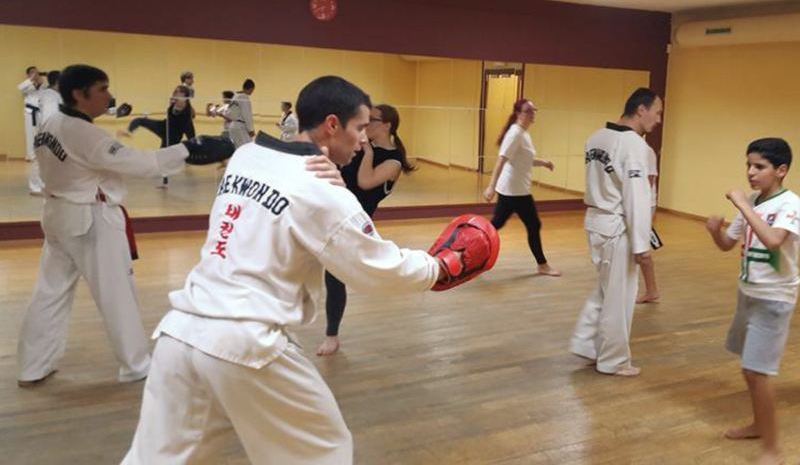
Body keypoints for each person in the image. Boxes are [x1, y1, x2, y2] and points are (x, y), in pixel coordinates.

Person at [121, 76, 496, 465]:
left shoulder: (246, 156)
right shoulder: (325, 194)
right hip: (248, 343)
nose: (363, 140)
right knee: (323, 453)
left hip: (179, 333)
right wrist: (438, 267)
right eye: (358, 129)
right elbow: (377, 269)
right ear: (332, 125)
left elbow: (290, 181)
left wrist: (337, 188)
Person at [17, 65, 202, 386]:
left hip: (58, 216)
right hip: (91, 220)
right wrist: (189, 149)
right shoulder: (84, 133)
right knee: (117, 295)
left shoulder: (51, 122)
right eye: (102, 89)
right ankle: (136, 365)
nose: (109, 95)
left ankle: (32, 367)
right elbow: (137, 163)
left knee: (49, 294)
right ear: (79, 94)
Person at [706, 138, 798, 465]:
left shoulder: (790, 205)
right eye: (748, 165)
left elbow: (774, 241)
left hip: (774, 300)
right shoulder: (755, 202)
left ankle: (774, 451)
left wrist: (743, 205)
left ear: (781, 170)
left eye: (759, 166)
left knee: (760, 373)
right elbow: (727, 245)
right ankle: (759, 425)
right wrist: (715, 231)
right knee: (749, 369)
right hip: (748, 295)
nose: (750, 172)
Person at [569, 87, 662, 377]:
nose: (658, 120)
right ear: (641, 110)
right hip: (616, 227)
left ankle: (586, 343)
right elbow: (637, 195)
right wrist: (641, 242)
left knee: (607, 289)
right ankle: (614, 360)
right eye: (657, 113)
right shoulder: (634, 145)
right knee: (619, 297)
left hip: (595, 221)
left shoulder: (596, 137)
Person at [317, 103, 416, 356]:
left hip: (353, 225)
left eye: (372, 119)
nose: (366, 123)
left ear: (386, 126)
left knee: (334, 276)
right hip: (329, 211)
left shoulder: (393, 161)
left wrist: (368, 152)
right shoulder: (359, 147)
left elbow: (365, 181)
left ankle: (332, 335)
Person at [483, 99, 560, 276]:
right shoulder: (515, 134)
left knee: (496, 224)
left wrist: (544, 163)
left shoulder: (523, 134)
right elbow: (501, 160)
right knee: (533, 224)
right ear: (519, 114)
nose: (533, 114)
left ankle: (469, 246)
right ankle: (542, 264)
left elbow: (525, 160)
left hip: (515, 190)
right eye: (529, 110)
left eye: (534, 110)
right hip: (515, 191)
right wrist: (491, 187)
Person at [120, 85, 196, 188]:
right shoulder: (173, 102)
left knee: (163, 159)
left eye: (177, 92)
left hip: (173, 136)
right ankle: (129, 131)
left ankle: (165, 182)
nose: (174, 93)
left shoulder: (186, 110)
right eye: (175, 92)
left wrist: (192, 142)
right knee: (140, 120)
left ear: (183, 95)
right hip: (164, 127)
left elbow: (189, 128)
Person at [27, 71, 63, 196]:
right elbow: (49, 115)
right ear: (58, 82)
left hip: (46, 131)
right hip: (47, 132)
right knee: (42, 159)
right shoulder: (50, 96)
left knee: (47, 160)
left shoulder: (51, 94)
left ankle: (42, 185)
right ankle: (36, 186)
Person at [636, 140, 661, 303]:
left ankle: (652, 291)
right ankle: (651, 290)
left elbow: (649, 180)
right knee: (636, 250)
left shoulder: (646, 151)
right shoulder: (628, 149)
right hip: (635, 205)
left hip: (643, 205)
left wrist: (637, 205)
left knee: (642, 251)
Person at [18, 66, 43, 161]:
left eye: (36, 72)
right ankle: (30, 155)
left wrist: (39, 80)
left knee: (40, 134)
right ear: (28, 74)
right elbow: (20, 88)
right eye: (32, 72)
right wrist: (31, 79)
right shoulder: (26, 85)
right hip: (30, 112)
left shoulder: (42, 85)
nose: (35, 74)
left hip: (40, 112)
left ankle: (40, 155)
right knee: (30, 134)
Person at [222, 78, 255, 148]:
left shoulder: (235, 96)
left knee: (236, 148)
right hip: (240, 127)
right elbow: (247, 114)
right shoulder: (244, 97)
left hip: (233, 126)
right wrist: (251, 129)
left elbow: (229, 113)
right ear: (251, 88)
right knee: (247, 148)